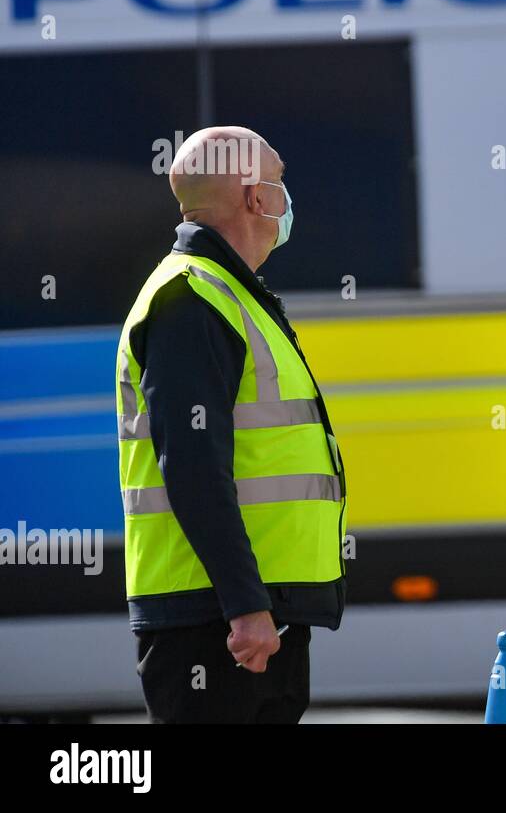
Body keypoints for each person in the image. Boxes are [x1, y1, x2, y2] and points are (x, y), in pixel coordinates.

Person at [117, 126, 347, 723]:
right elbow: (193, 469)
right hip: (215, 625)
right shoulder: (190, 300)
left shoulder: (227, 294)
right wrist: (245, 608)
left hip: (249, 616)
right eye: (280, 177)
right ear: (255, 198)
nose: (286, 195)